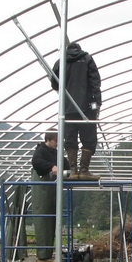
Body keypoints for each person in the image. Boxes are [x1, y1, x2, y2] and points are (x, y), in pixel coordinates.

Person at [51, 42, 102, 180]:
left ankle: (73, 171)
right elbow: (95, 82)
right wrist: (97, 103)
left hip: (67, 108)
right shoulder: (87, 59)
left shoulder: (60, 61)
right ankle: (84, 170)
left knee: (70, 139)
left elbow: (54, 83)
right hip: (86, 108)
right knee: (89, 139)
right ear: (79, 49)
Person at [30, 131, 68, 262]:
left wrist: (70, 171)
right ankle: (43, 255)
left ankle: (48, 253)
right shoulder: (41, 150)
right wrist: (51, 167)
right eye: (56, 140)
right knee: (43, 219)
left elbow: (65, 163)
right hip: (42, 189)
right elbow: (36, 162)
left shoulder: (56, 153)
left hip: (52, 190)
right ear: (49, 139)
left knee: (52, 220)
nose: (57, 142)